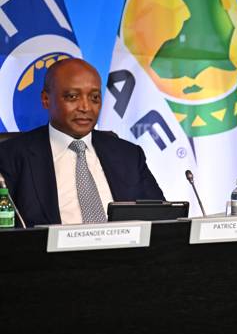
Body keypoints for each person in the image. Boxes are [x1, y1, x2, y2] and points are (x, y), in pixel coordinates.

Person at [0, 58, 164, 227]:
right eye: (72, 97)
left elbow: (162, 221)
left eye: (94, 97)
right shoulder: (10, 157)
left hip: (125, 252)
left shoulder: (128, 155)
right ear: (46, 99)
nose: (85, 107)